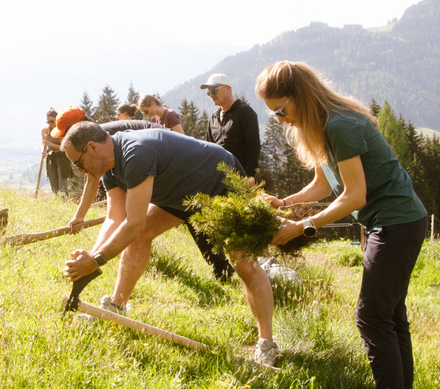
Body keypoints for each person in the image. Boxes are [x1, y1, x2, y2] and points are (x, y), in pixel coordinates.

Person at [256, 61, 427, 389]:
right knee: (390, 317)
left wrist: (302, 227)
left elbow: (354, 195)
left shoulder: (340, 125)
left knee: (372, 318)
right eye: (273, 114)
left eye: (282, 110)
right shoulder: (321, 127)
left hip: (396, 223)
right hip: (395, 222)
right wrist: (284, 203)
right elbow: (323, 184)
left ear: (300, 96)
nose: (281, 120)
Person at [61, 122, 279, 366]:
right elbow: (115, 217)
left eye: (77, 163)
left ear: (92, 148)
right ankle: (116, 307)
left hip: (220, 181)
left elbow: (132, 224)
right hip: (183, 194)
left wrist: (96, 260)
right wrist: (93, 254)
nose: (80, 171)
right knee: (142, 235)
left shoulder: (135, 153)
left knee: (244, 264)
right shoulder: (108, 167)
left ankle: (267, 345)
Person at [50, 106, 163, 234]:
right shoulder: (95, 138)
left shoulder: (99, 139)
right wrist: (79, 216)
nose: (64, 140)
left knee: (138, 222)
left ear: (75, 127)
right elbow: (94, 177)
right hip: (149, 157)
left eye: (64, 135)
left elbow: (93, 180)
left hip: (163, 150)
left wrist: (79, 216)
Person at [201, 73, 261, 179]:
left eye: (214, 90)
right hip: (218, 178)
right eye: (209, 92)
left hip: (241, 177)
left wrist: (250, 175)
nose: (211, 95)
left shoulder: (245, 112)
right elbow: (209, 149)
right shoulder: (213, 117)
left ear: (227, 88)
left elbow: (253, 145)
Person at [41, 108, 73, 196]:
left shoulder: (62, 131)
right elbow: (43, 144)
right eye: (48, 122)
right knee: (53, 184)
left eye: (52, 121)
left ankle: (65, 201)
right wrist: (42, 151)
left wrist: (49, 143)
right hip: (51, 158)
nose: (50, 124)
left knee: (62, 184)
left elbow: (63, 147)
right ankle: (57, 201)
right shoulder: (45, 131)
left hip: (62, 158)